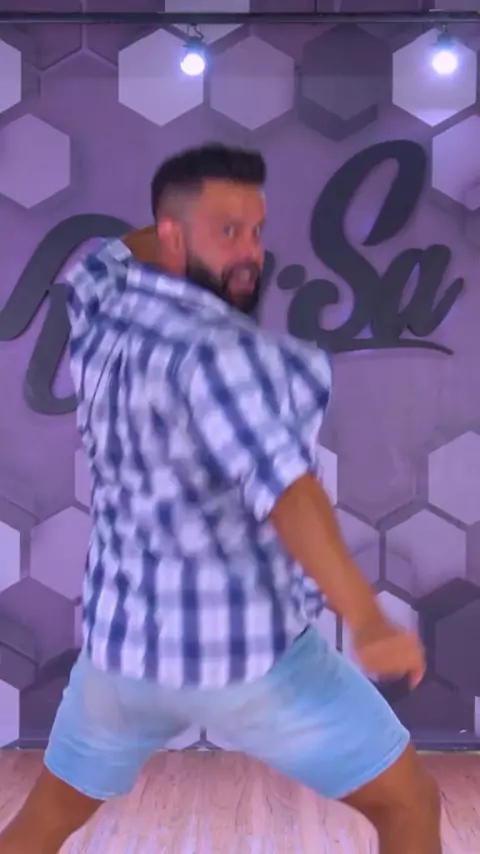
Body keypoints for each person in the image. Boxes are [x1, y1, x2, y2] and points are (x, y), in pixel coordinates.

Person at [0, 144, 441, 854]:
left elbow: (109, 258)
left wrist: (177, 229)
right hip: (246, 664)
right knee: (408, 800)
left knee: (44, 821)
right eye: (228, 231)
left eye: (257, 230)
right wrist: (365, 618)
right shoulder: (222, 353)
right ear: (174, 236)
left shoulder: (101, 308)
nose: (250, 255)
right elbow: (288, 492)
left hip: (121, 658)